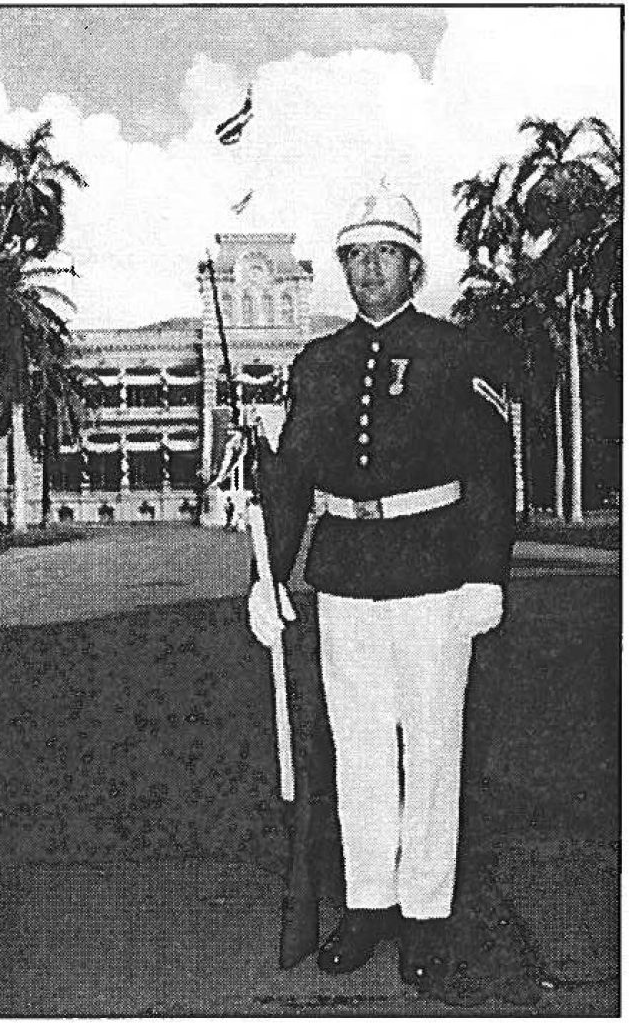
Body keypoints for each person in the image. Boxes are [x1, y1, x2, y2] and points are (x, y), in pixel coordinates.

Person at [248, 184, 515, 985]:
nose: (368, 269)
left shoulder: (454, 352)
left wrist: (484, 575)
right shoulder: (318, 363)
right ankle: (368, 903)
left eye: (383, 254)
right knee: (359, 749)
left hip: (434, 573)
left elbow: (488, 474)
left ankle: (426, 915)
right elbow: (291, 477)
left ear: (412, 266)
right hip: (346, 576)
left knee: (430, 747)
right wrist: (268, 578)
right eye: (354, 256)